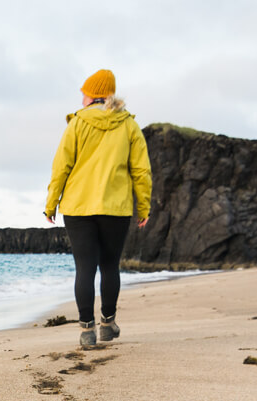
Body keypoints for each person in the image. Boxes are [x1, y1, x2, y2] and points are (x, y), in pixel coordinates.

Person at [44, 69, 152, 347]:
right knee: (109, 266)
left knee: (84, 268)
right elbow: (141, 171)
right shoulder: (128, 125)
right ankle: (107, 324)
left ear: (95, 94)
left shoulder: (77, 124)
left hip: (78, 207)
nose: (81, 97)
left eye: (84, 92)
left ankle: (86, 331)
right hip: (115, 209)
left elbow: (61, 167)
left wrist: (51, 203)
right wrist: (144, 206)